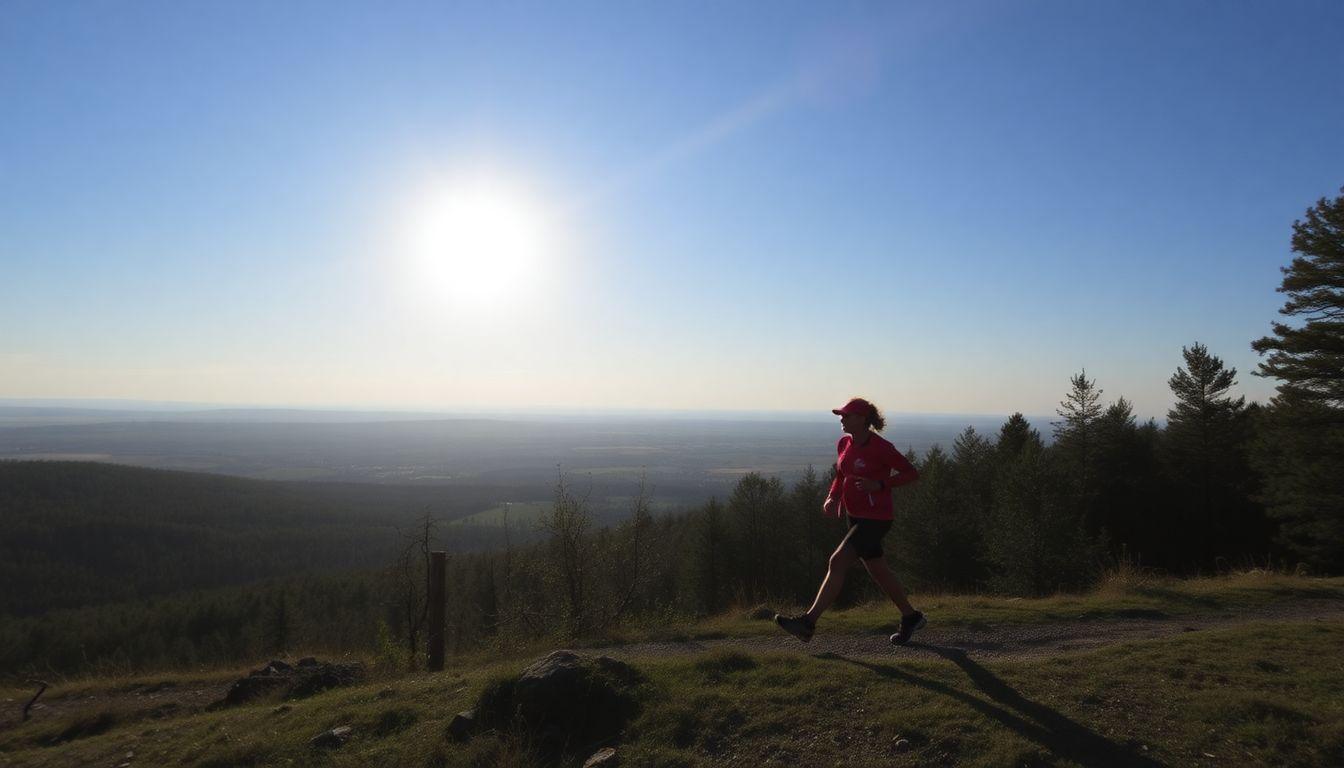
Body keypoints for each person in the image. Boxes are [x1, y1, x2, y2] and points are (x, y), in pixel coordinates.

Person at [775, 397, 926, 646]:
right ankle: (911, 617)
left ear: (863, 419)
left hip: (876, 518)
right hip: (855, 516)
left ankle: (808, 623)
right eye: (841, 416)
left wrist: (879, 484)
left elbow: (911, 473)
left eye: (846, 415)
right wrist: (832, 496)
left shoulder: (881, 447)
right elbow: (841, 473)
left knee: (837, 561)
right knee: (878, 569)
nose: (842, 420)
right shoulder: (844, 442)